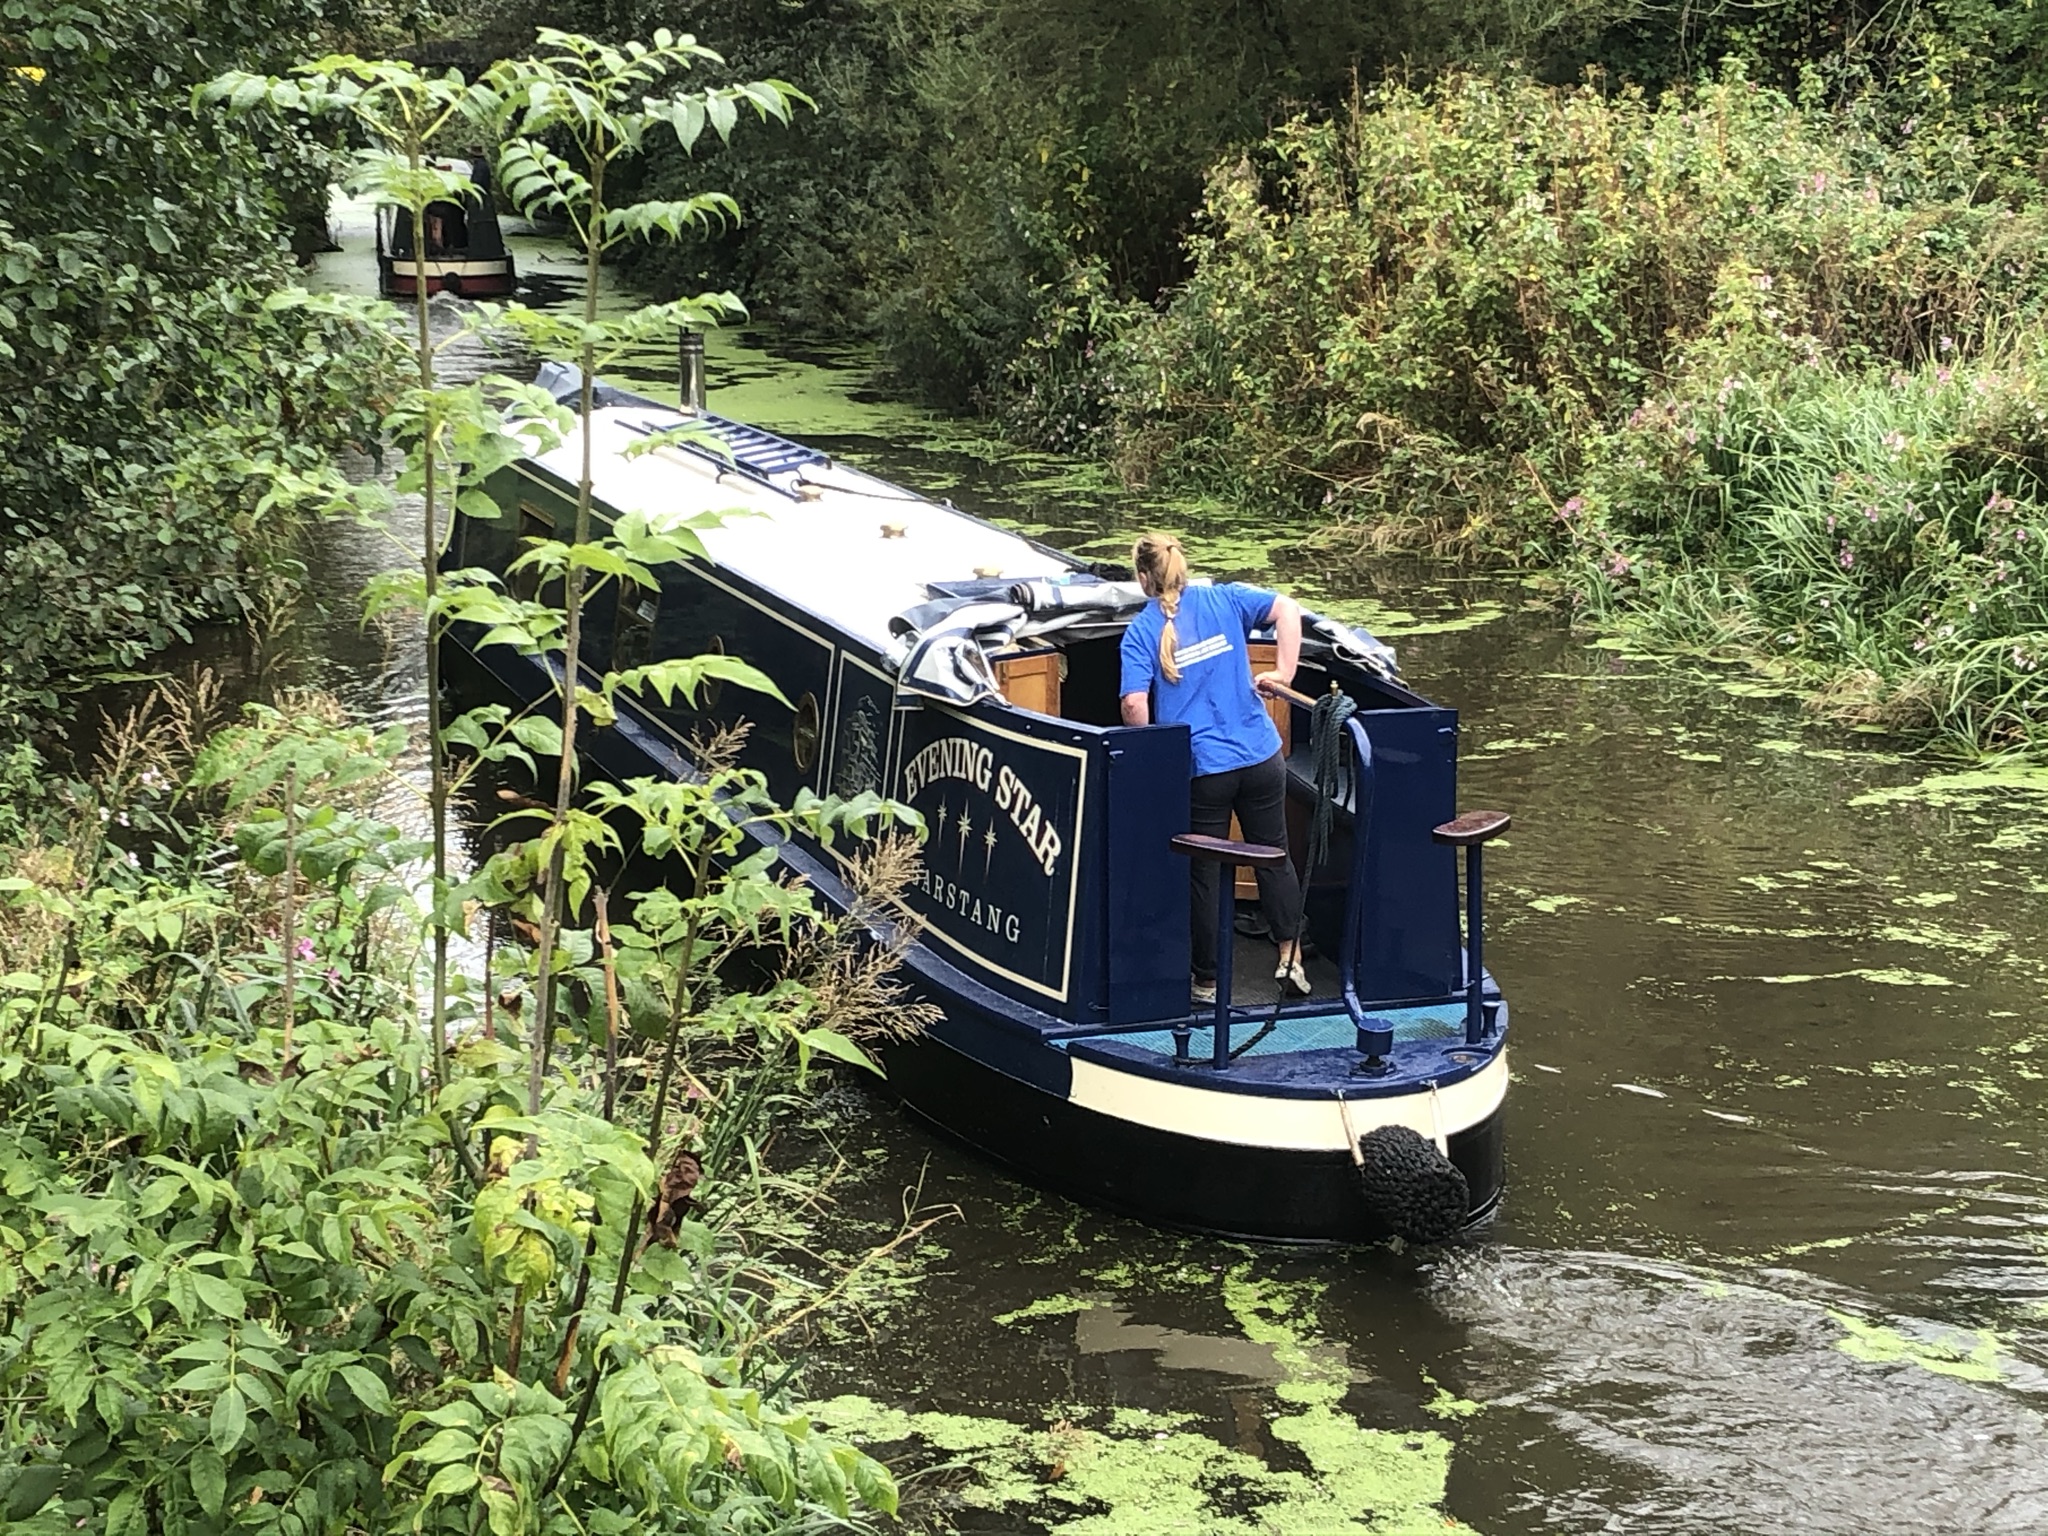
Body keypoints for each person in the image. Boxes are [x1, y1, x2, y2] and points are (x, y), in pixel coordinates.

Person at [1118, 532, 1308, 1002]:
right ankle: (1290, 957)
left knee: (1204, 871)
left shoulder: (1142, 630)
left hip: (1204, 769)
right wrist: (1284, 674)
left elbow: (1133, 703)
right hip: (1261, 755)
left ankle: (1207, 980)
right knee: (1274, 855)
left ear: (1144, 577)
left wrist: (1152, 756)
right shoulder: (1226, 599)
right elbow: (1288, 609)